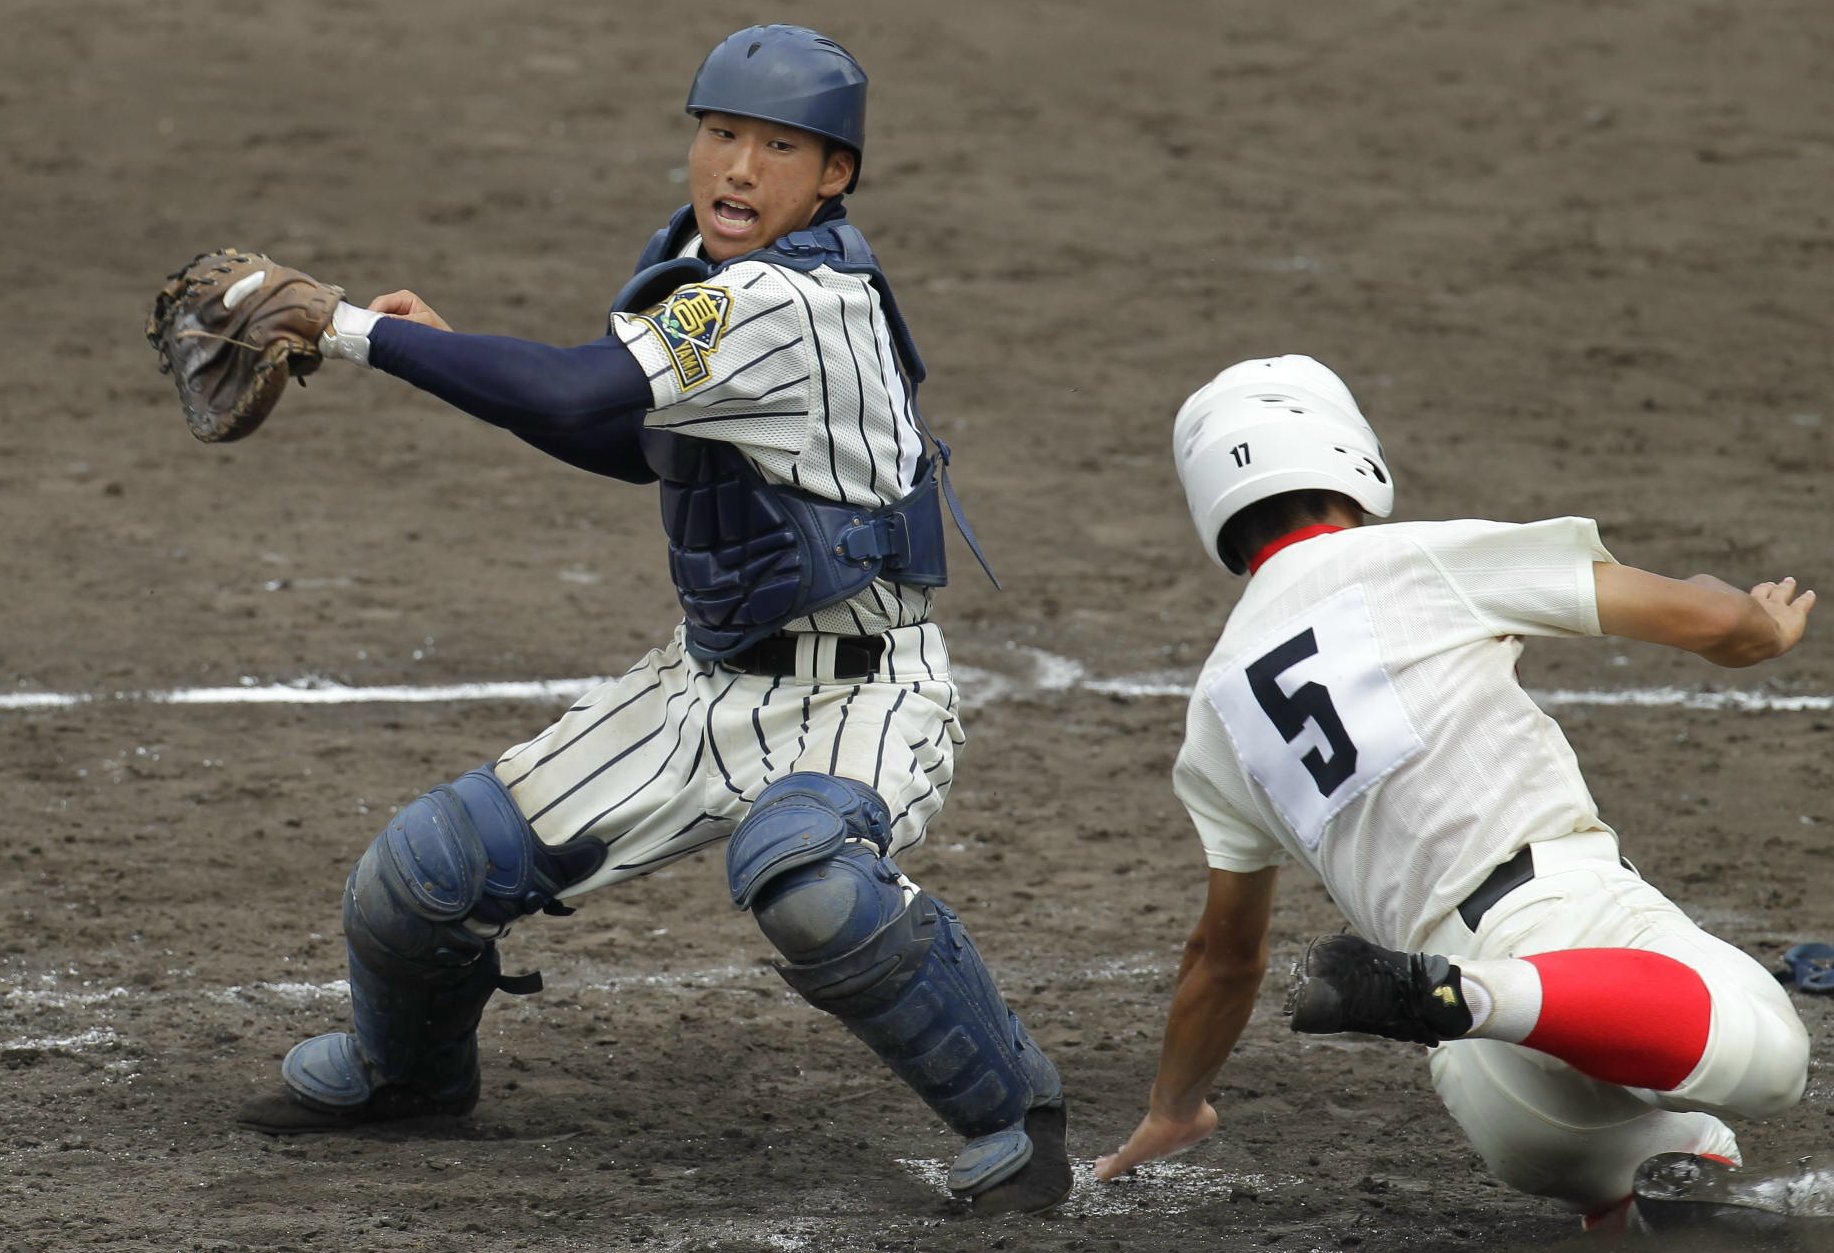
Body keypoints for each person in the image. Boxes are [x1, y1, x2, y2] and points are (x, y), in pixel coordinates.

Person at [231, 24, 1071, 1216]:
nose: (737, 168)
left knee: (806, 878)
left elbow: (576, 388)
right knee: (416, 878)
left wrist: (364, 331)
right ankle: (408, 1074)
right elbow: (624, 443)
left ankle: (1012, 1116)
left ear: (835, 174)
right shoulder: (702, 264)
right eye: (720, 133)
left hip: (860, 691)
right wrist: (435, 346)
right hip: (704, 684)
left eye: (778, 147)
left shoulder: (789, 300)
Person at [1093, 353, 1826, 1236]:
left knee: (1669, 1176)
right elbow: (1718, 628)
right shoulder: (1414, 555)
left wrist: (1175, 1106)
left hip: (1500, 1103)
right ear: (1347, 453)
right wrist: (1753, 615)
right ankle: (1473, 991)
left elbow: (1224, 958)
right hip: (1567, 918)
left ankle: (1484, 1019)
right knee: (1772, 1055)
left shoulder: (1213, 714)